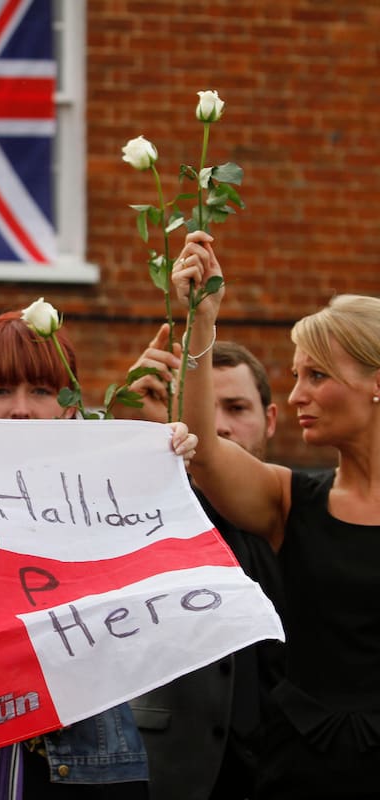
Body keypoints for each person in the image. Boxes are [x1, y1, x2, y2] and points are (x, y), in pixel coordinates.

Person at [0, 309, 197, 799]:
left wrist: (159, 461)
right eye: (0, 390)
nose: (21, 410)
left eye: (41, 391)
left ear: (70, 406)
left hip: (86, 771)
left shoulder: (108, 495)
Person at [172, 232, 380, 798]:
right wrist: (202, 323)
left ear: (375, 384)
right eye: (295, 378)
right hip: (299, 769)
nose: (295, 398)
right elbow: (206, 452)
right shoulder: (293, 500)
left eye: (317, 376)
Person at [123, 336, 285, 799]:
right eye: (203, 409)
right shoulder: (147, 514)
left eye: (237, 408)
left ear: (270, 420)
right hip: (172, 773)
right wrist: (132, 436)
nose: (218, 427)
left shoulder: (298, 512)